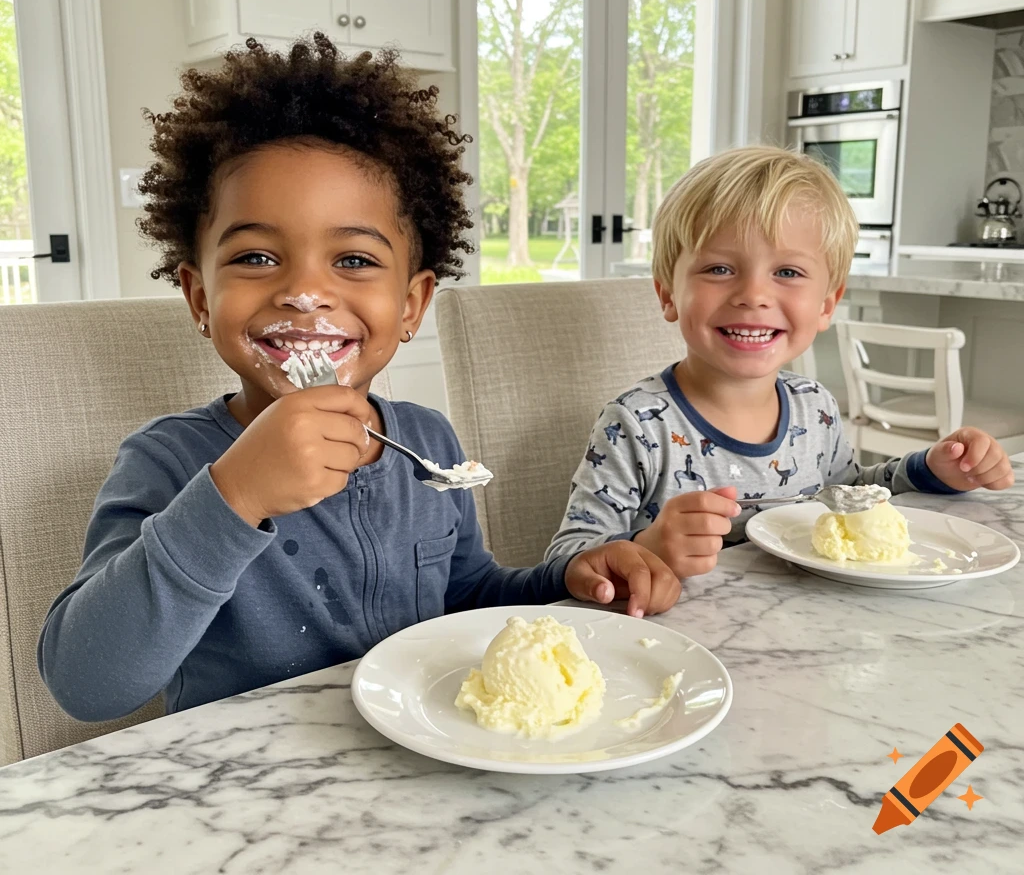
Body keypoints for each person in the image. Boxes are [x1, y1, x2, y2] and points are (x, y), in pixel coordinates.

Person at [38, 35, 679, 723]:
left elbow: (463, 596)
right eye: (256, 256)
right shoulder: (167, 462)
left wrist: (567, 581)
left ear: (410, 305)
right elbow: (86, 683)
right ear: (200, 299)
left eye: (352, 261)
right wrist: (235, 494)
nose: (305, 292)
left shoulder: (426, 443)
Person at [545, 146, 1013, 577]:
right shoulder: (636, 424)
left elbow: (848, 494)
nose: (753, 295)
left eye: (787, 272)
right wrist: (647, 547)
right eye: (719, 269)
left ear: (827, 304)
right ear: (668, 294)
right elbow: (568, 558)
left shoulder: (816, 407)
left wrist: (933, 468)